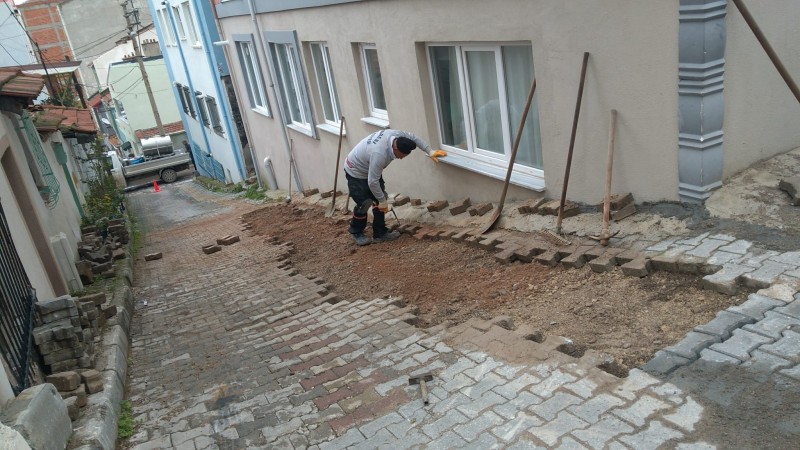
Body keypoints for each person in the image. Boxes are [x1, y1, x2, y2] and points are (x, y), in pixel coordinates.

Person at [343, 129, 446, 246]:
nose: (401, 158)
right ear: (395, 149)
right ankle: (356, 232)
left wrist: (429, 151)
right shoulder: (379, 154)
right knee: (365, 203)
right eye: (401, 156)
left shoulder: (396, 135)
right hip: (355, 170)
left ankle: (380, 233)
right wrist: (382, 201)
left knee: (380, 199)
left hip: (370, 168)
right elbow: (372, 182)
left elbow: (414, 138)